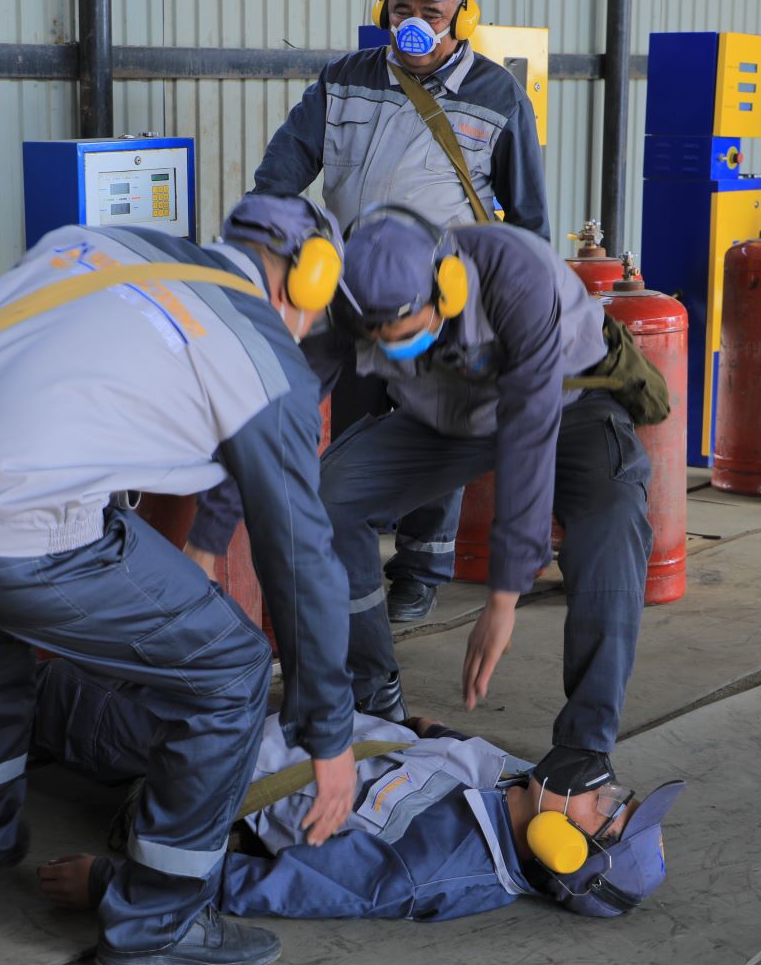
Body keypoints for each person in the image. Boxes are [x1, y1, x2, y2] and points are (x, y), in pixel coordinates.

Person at [0, 196, 360, 965]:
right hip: (4, 527)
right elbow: (300, 559)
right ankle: (158, 925)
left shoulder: (97, 244)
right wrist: (328, 735)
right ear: (311, 280)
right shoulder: (264, 358)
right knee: (229, 669)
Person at [198, 206, 657, 798]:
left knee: (612, 520)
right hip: (452, 417)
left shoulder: (516, 273)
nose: (396, 346)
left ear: (448, 287)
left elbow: (529, 434)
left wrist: (504, 596)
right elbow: (275, 409)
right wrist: (207, 539)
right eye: (382, 340)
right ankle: (371, 695)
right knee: (329, 498)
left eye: (407, 329)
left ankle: (584, 747)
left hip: (567, 403)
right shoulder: (349, 301)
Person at [0, 644, 685, 923]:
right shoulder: (517, 784)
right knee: (135, 648)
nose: (606, 787)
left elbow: (277, 888)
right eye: (617, 795)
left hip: (216, 767)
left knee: (72, 703)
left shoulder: (427, 870)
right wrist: (419, 730)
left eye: (607, 810)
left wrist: (119, 886)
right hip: (276, 722)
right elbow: (437, 744)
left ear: (563, 849)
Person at [247, 0, 549, 624]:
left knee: (434, 427)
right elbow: (283, 169)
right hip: (356, 289)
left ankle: (421, 567)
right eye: (401, 8)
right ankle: (353, 556)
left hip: (444, 299)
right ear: (382, 9)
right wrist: (269, 237)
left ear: (462, 19)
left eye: (431, 13)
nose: (413, 24)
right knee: (357, 428)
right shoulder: (343, 79)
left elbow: (528, 216)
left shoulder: (498, 95)